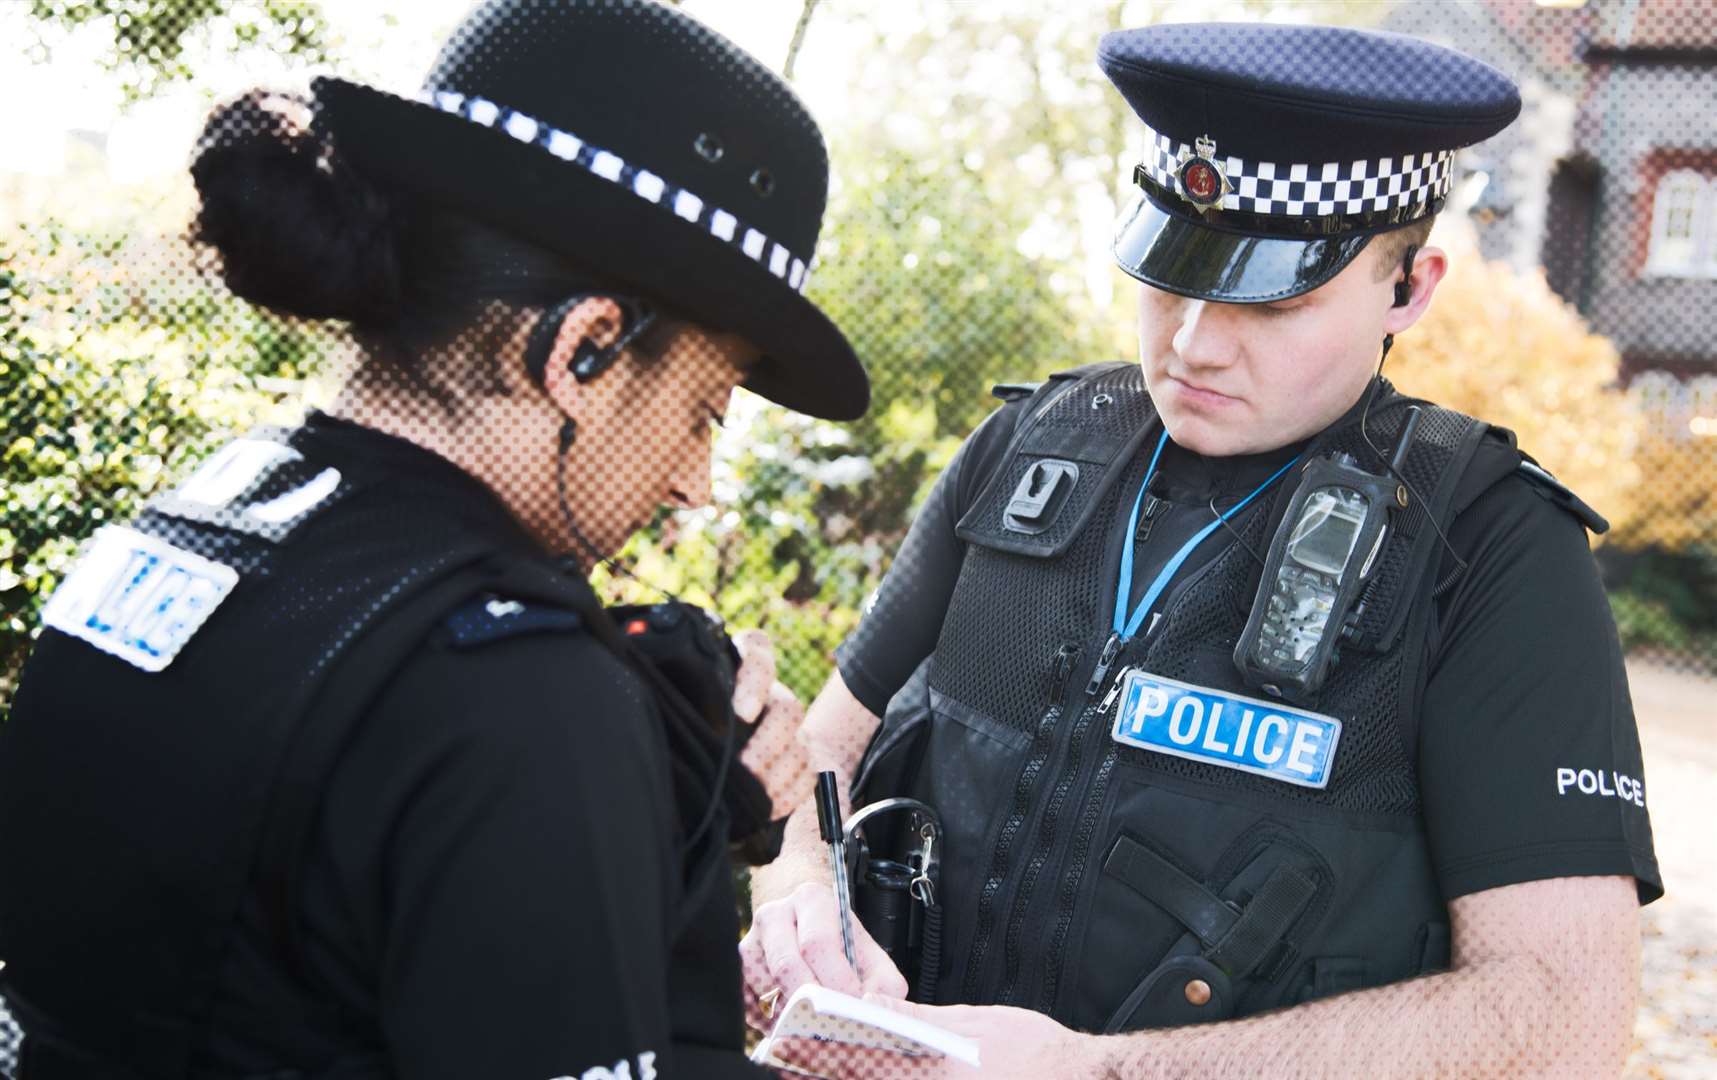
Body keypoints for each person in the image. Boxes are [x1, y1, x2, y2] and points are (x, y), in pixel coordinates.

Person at [743, 22, 1661, 1078]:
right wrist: (798, 899)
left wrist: (1099, 1073)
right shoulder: (1027, 450)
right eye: (1172, 276)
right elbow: (821, 755)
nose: (1192, 343)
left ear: (1408, 288)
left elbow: (1560, 1014)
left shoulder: (1490, 546)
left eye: (1274, 298)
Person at [0, 1, 863, 1076]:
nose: (693, 483)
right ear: (584, 351)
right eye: (705, 410)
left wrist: (660, 802)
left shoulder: (178, 536)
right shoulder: (514, 693)